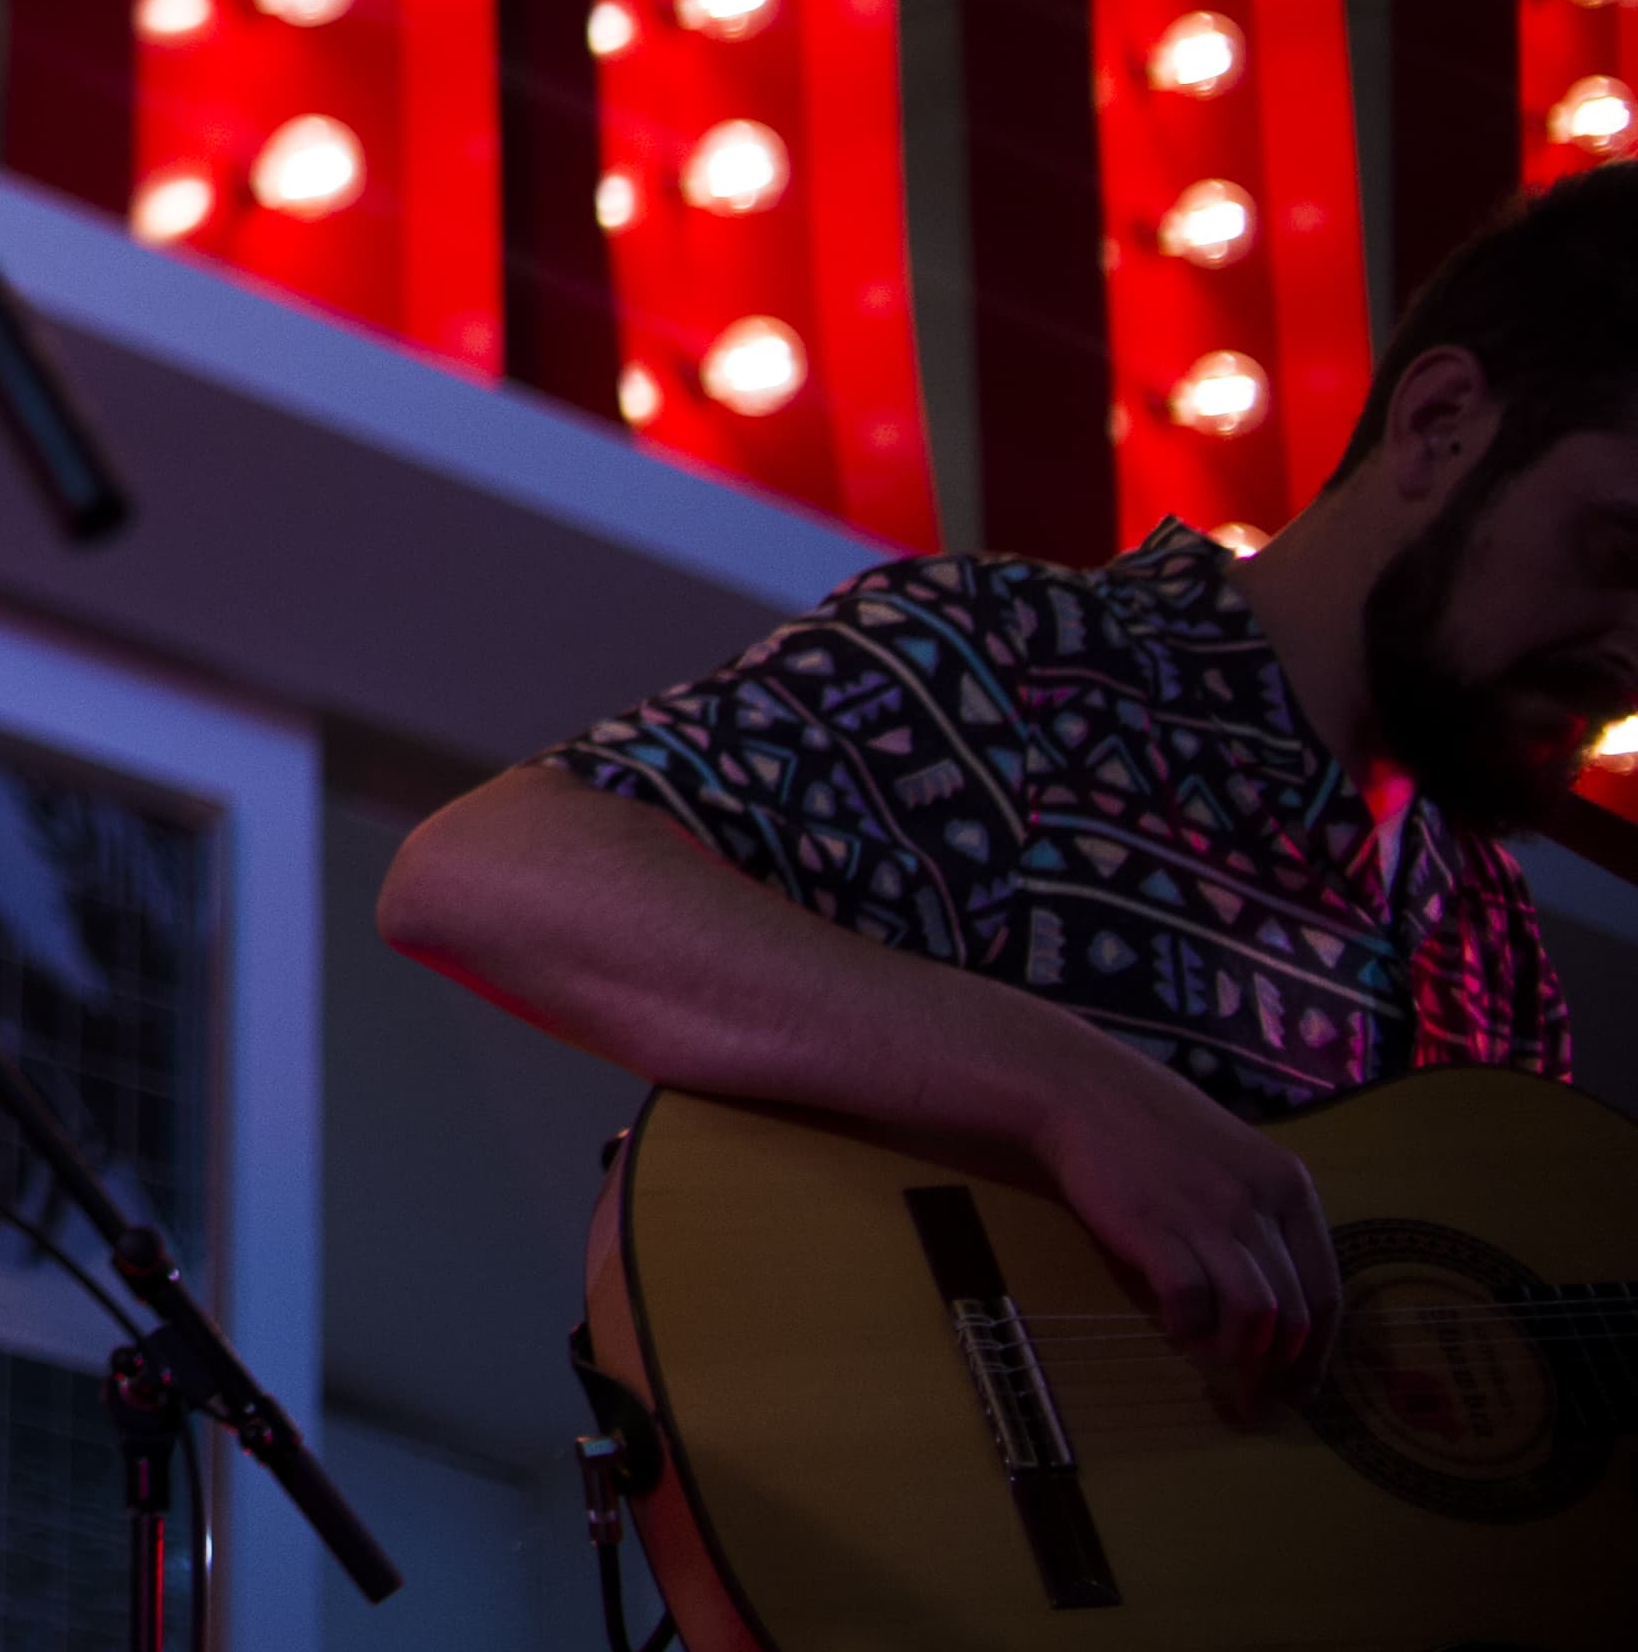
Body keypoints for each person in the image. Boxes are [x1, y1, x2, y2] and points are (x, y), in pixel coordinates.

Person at [378, 170, 1638, 1414]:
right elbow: (491, 870)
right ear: (1440, 421)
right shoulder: (1034, 666)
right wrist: (1069, 1088)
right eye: (1617, 550)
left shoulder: (1493, 951)